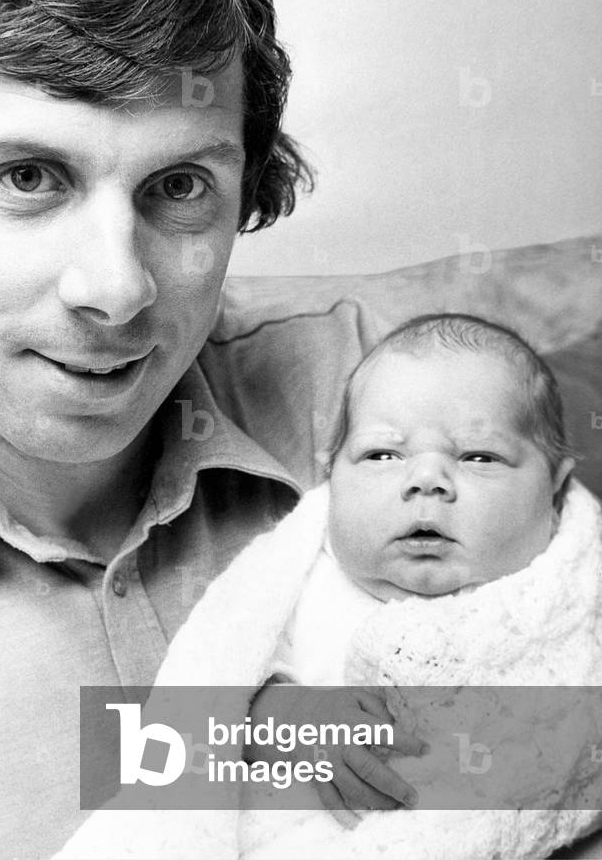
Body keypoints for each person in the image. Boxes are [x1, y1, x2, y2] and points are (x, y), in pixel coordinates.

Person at [0, 0, 327, 858]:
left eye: (178, 188)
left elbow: (550, 767)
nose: (116, 286)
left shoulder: (380, 411)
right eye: (30, 177)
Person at [54, 314, 602, 860]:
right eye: (382, 455)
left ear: (554, 490)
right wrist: (288, 714)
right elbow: (211, 695)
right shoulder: (298, 577)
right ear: (331, 475)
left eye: (479, 456)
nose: (426, 479)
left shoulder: (572, 597)